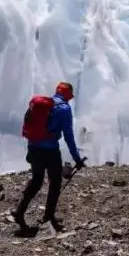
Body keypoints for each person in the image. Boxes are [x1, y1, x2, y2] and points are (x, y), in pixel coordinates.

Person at [13, 82, 85, 232]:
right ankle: (48, 216)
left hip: (33, 148)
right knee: (55, 182)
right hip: (50, 150)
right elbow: (68, 136)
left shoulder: (43, 105)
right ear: (68, 95)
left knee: (37, 181)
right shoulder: (64, 109)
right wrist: (76, 158)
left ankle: (20, 212)